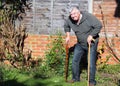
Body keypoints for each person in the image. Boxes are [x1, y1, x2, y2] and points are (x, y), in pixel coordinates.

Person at [64, 6, 102, 86]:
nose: (73, 16)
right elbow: (66, 25)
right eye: (71, 14)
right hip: (80, 43)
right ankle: (75, 78)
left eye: (74, 14)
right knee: (75, 61)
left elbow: (99, 25)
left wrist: (91, 35)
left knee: (91, 63)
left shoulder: (88, 17)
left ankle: (91, 82)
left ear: (79, 12)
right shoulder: (70, 19)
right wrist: (68, 36)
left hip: (91, 44)